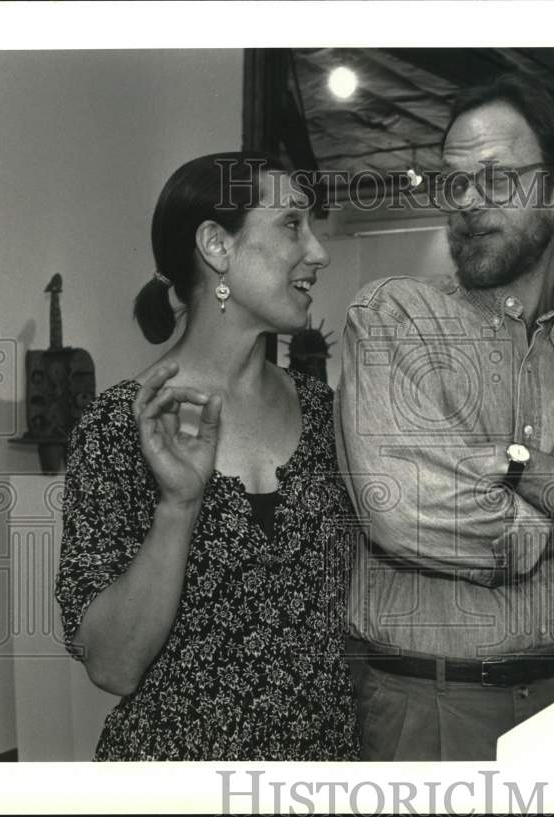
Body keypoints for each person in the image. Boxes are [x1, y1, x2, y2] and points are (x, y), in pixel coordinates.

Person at [335, 74, 554, 761]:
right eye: (455, 182)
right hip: (426, 710)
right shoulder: (394, 317)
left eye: (496, 180)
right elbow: (402, 506)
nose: (468, 202)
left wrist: (504, 472)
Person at [55, 152, 359, 761]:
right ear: (218, 247)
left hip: (322, 775)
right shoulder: (118, 427)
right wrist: (178, 506)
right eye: (292, 224)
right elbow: (112, 667)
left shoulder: (329, 414)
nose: (319, 252)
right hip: (178, 779)